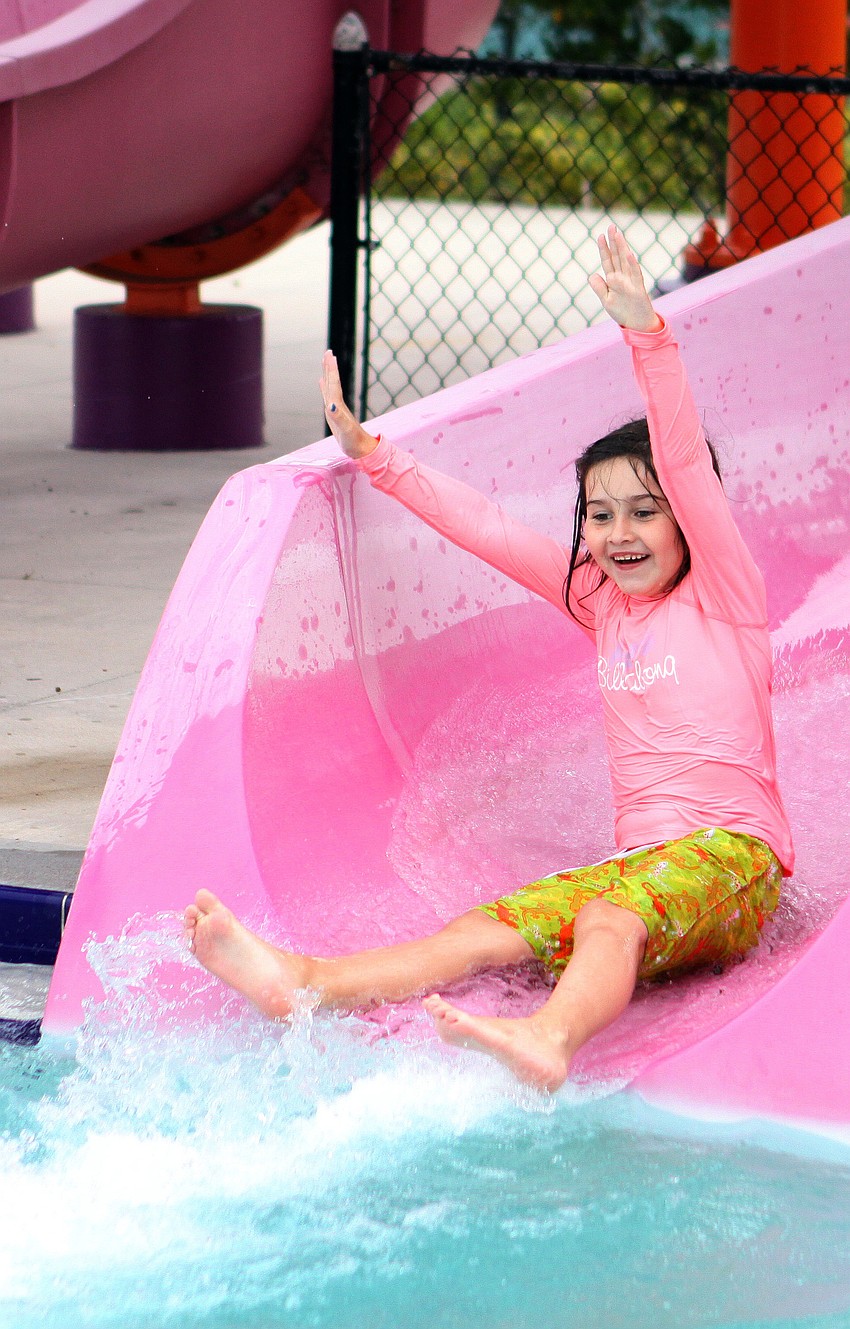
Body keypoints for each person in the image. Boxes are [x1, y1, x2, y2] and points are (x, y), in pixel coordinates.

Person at [184, 225, 792, 1092]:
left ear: (690, 519)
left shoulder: (725, 593)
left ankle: (549, 1038)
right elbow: (494, 532)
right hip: (640, 867)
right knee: (487, 929)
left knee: (611, 920)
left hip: (731, 860)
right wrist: (378, 460)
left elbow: (687, 459)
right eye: (602, 515)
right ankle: (305, 982)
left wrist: (648, 339)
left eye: (645, 512)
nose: (620, 534)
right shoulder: (602, 603)